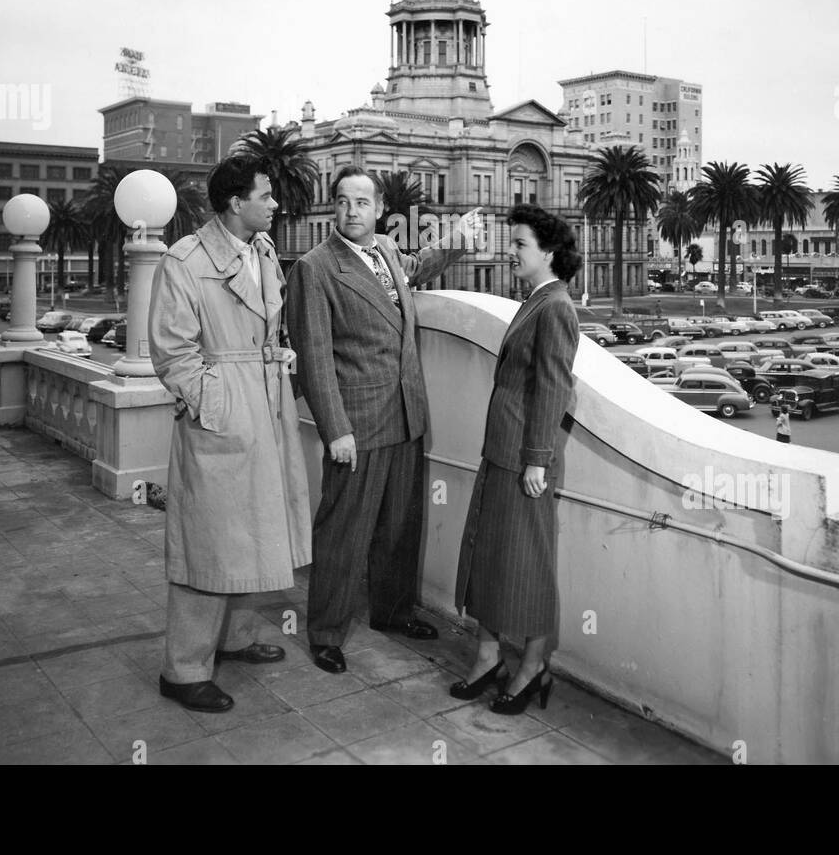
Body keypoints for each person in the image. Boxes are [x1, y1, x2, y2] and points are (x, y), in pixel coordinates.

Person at [286, 165, 482, 675]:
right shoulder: (316, 267)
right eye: (343, 201)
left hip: (405, 414)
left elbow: (417, 264)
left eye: (362, 202)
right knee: (343, 531)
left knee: (399, 526)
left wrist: (457, 241)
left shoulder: (388, 252)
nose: (352, 210)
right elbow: (314, 354)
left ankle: (393, 613)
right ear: (336, 207)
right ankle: (326, 632)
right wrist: (336, 429)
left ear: (378, 210)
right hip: (357, 422)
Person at [146, 155, 312, 713]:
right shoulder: (185, 261)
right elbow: (172, 354)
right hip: (224, 413)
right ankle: (184, 668)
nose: (275, 204)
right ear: (235, 202)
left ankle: (233, 638)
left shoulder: (262, 252)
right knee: (208, 536)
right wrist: (217, 406)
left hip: (265, 403)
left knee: (252, 529)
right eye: (265, 196)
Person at [451, 205, 580, 715]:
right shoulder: (536, 300)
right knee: (490, 557)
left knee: (527, 566)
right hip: (502, 455)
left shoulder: (556, 307)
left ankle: (532, 665)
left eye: (520, 243)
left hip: (524, 462)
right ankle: (488, 655)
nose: (512, 251)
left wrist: (536, 461)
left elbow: (553, 389)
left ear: (548, 252)